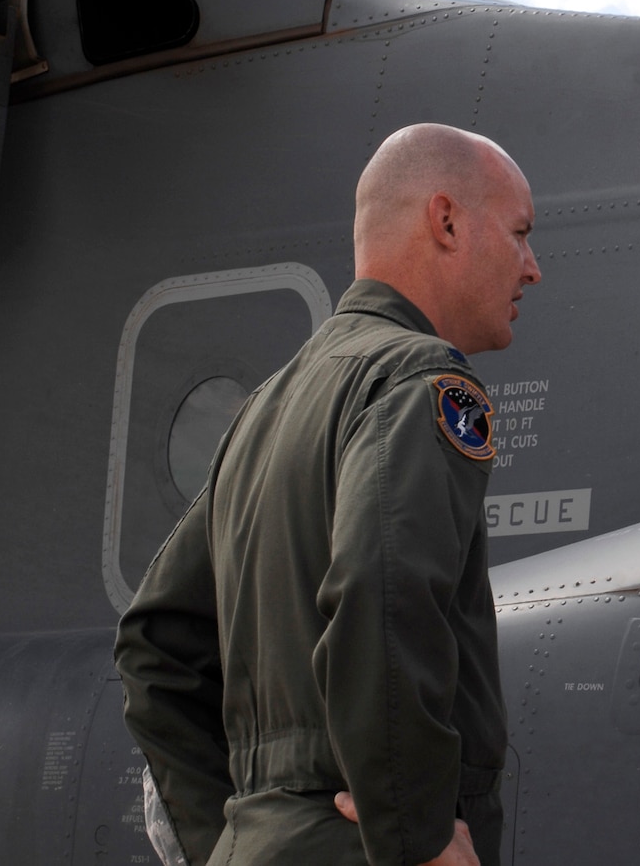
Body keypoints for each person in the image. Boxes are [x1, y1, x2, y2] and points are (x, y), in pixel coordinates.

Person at [114, 123, 541, 866]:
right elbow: (386, 589)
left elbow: (155, 643)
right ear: (445, 221)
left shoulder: (266, 409)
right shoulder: (420, 378)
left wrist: (238, 837)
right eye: (520, 233)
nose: (532, 268)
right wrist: (420, 837)